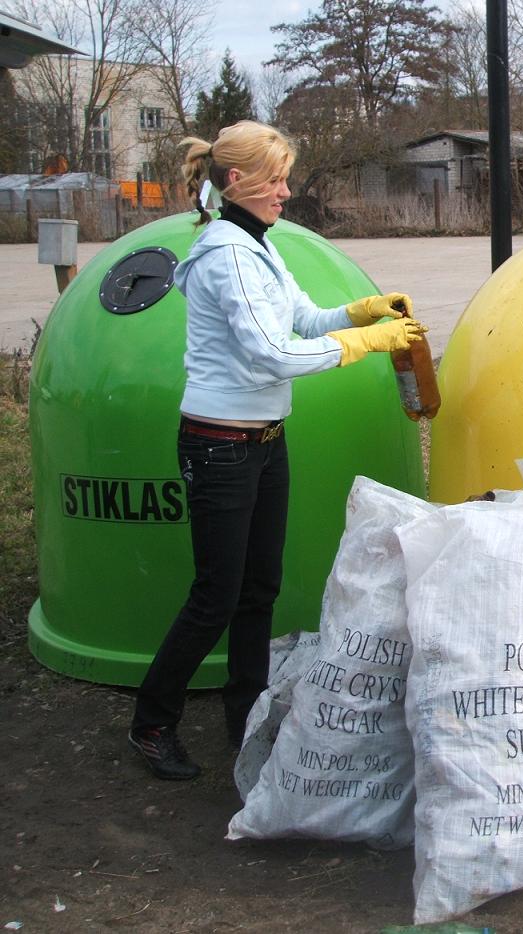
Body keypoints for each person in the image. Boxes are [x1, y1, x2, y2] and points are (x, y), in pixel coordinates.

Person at [129, 120, 424, 780]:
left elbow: (302, 320)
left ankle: (246, 715)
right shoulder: (228, 255)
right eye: (277, 180)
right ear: (238, 182)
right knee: (217, 594)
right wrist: (366, 345)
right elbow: (271, 354)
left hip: (262, 441)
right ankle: (152, 723)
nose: (287, 192)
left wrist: (359, 313)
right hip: (220, 446)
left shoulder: (257, 244)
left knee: (257, 588)